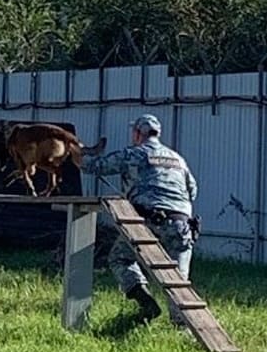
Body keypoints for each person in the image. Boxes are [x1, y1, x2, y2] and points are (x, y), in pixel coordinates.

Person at [81, 114, 198, 325]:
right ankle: (182, 327)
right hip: (182, 225)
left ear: (137, 133)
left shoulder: (133, 154)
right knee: (178, 279)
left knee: (120, 258)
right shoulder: (177, 158)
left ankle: (145, 301)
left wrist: (73, 152)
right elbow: (193, 190)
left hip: (148, 221)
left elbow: (95, 166)